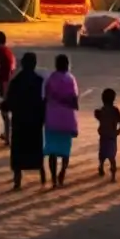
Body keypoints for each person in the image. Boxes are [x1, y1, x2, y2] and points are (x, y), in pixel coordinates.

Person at [0, 52, 47, 190]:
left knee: (18, 151)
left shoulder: (16, 81)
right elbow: (44, 101)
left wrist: (5, 106)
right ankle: (42, 174)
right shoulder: (39, 81)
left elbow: (9, 102)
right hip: (35, 120)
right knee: (36, 148)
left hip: (19, 120)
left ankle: (17, 179)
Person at [43, 54, 80, 188]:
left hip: (52, 118)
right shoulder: (71, 79)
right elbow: (74, 101)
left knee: (52, 150)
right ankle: (62, 172)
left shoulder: (50, 78)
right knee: (65, 149)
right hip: (67, 119)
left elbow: (45, 97)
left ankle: (53, 178)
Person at [95, 88, 120, 182]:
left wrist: (97, 114)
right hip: (111, 137)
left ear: (102, 99)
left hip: (104, 137)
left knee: (102, 155)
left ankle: (101, 167)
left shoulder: (102, 110)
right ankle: (112, 176)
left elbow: (99, 117)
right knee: (112, 157)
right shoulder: (115, 110)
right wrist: (118, 131)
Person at [0, 31, 16, 145]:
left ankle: (8, 136)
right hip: (8, 82)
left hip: (4, 84)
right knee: (5, 111)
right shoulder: (8, 51)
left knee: (5, 111)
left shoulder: (0, 52)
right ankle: (7, 133)